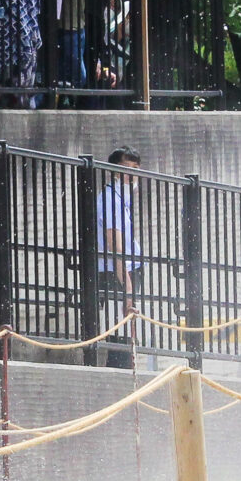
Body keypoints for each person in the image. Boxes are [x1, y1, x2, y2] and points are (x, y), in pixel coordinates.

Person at [95, 147, 144, 369]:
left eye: (136, 169)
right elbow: (115, 247)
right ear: (115, 172)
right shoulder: (111, 199)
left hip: (124, 271)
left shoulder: (120, 199)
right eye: (127, 169)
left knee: (127, 335)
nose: (132, 175)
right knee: (120, 336)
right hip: (116, 274)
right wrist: (128, 288)